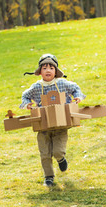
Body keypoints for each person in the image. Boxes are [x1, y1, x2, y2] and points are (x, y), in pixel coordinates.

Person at [21, 54, 86, 187]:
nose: (48, 70)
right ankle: (48, 177)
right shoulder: (37, 87)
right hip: (43, 125)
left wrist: (78, 97)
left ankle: (61, 159)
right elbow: (25, 96)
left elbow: (75, 88)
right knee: (45, 153)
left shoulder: (62, 83)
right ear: (40, 72)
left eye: (51, 67)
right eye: (45, 68)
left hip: (61, 124)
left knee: (57, 151)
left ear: (56, 71)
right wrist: (27, 104)